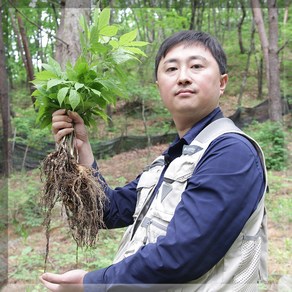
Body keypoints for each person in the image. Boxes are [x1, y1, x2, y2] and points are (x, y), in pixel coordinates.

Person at [40, 30, 268, 291]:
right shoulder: (174, 158)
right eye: (171, 69)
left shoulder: (230, 152)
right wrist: (81, 151)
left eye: (196, 66)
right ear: (159, 86)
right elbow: (108, 212)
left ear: (222, 82)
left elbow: (182, 255)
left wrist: (91, 283)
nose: (183, 77)